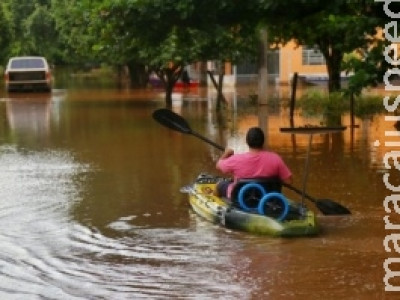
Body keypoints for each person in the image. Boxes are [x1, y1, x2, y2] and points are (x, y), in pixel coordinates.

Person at [215, 127, 292, 199]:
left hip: (240, 198)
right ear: (263, 141)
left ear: (247, 142)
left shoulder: (236, 159)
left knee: (220, 184)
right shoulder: (275, 159)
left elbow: (218, 165)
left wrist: (226, 153)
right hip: (267, 198)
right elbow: (288, 181)